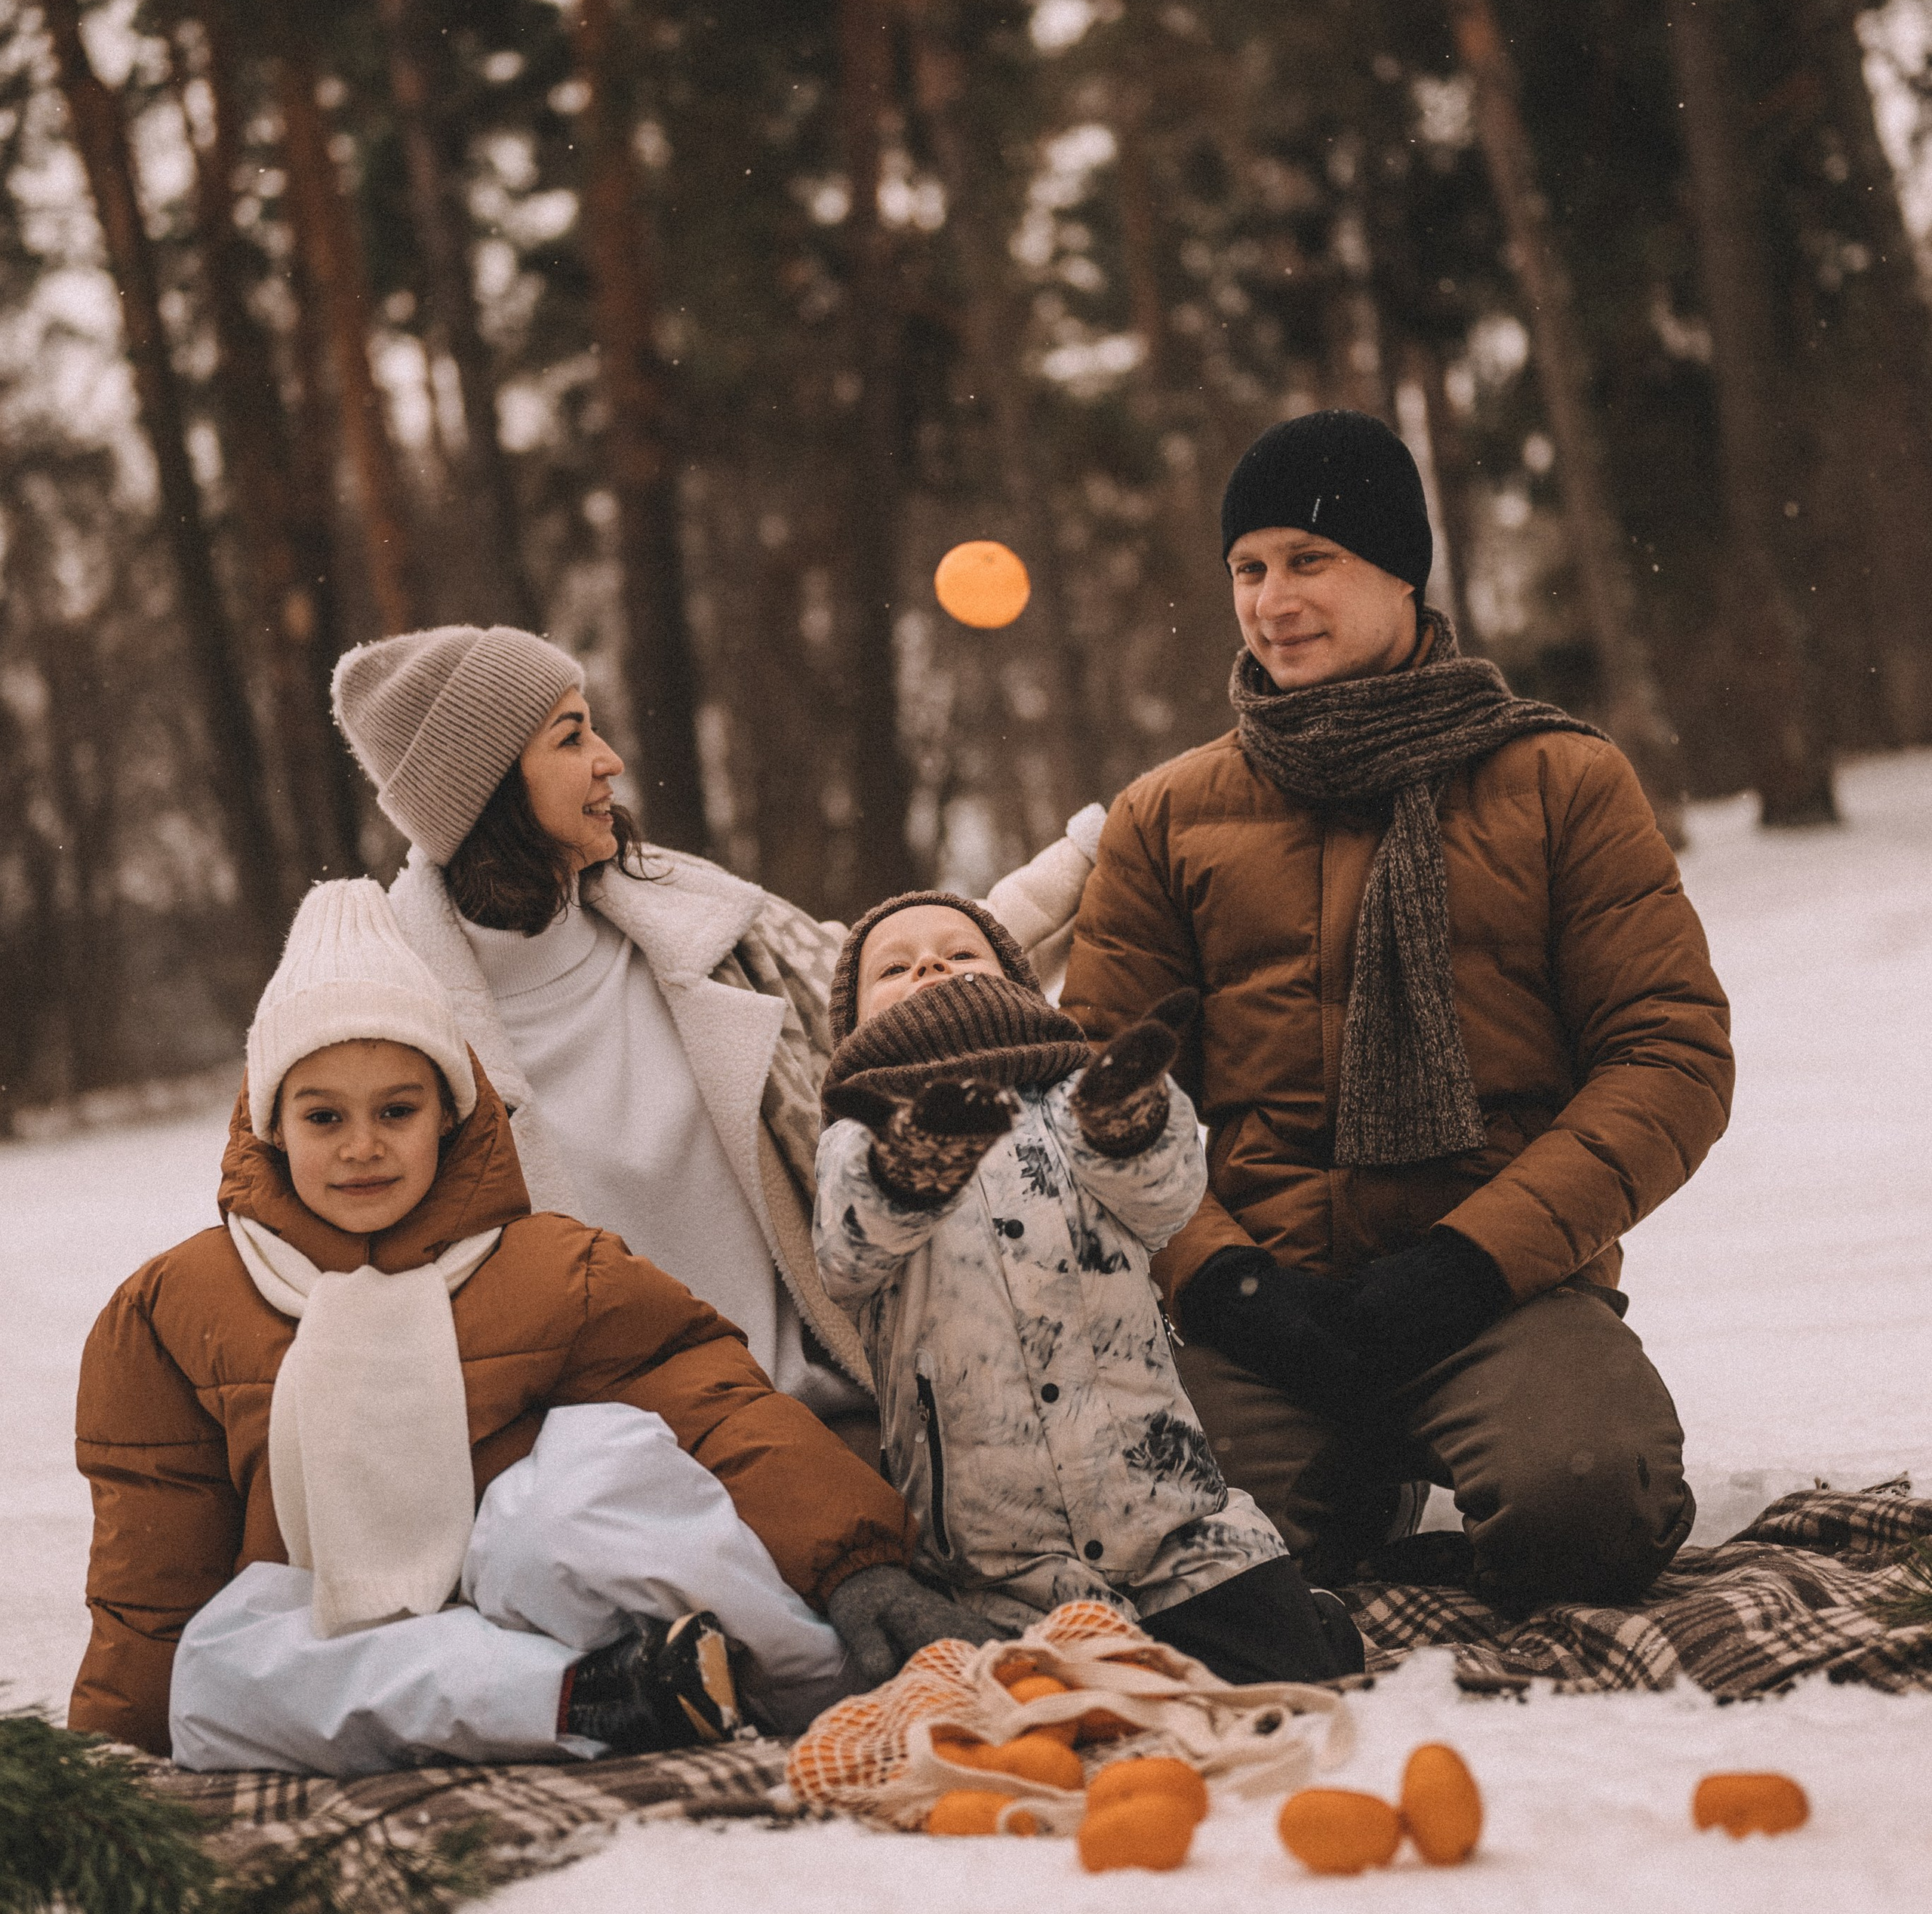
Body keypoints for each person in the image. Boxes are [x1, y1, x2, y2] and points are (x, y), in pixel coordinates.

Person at [1060, 409, 1735, 1608]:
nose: (1273, 600)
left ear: (1399, 569)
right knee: (1171, 1566)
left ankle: (1454, 1441)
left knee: (1589, 1502)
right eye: (1248, 569)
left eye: (1309, 560)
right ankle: (1350, 1475)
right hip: (1270, 1309)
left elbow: (1669, 1056)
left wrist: (1471, 1262)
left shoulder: (1559, 780)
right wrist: (1225, 1283)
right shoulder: (1165, 816)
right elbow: (1103, 1104)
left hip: (1501, 1286)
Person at [69, 880, 927, 1772]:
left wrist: (857, 1564)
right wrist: (105, 1766)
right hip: (364, 1659)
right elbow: (153, 1580)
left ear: (449, 1112)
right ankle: (609, 1696)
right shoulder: (173, 1308)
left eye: (395, 1111)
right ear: (271, 1124)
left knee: (578, 1484)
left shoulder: (554, 1266)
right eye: (324, 1116)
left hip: (539, 1598)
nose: (362, 1146)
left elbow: (723, 1414)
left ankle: (811, 1675)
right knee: (217, 1664)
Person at [329, 628, 1098, 1492]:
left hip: (840, 1421)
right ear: (489, 783)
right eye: (571, 735)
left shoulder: (687, 918)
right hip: (618, 1488)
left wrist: (1087, 862)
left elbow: (876, 984)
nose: (609, 760)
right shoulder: (394, 1031)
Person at [811, 891, 1363, 1683]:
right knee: (1062, 1714)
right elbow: (846, 1256)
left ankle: (1309, 1620)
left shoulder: (1077, 1098)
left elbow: (1164, 1197)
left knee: (1292, 1675)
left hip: (1173, 1520)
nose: (930, 966)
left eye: (960, 953)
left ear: (1015, 985)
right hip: (1002, 1562)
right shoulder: (856, 1141)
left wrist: (1132, 1120)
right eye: (893, 968)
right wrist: (910, 1168)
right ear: (855, 1026)